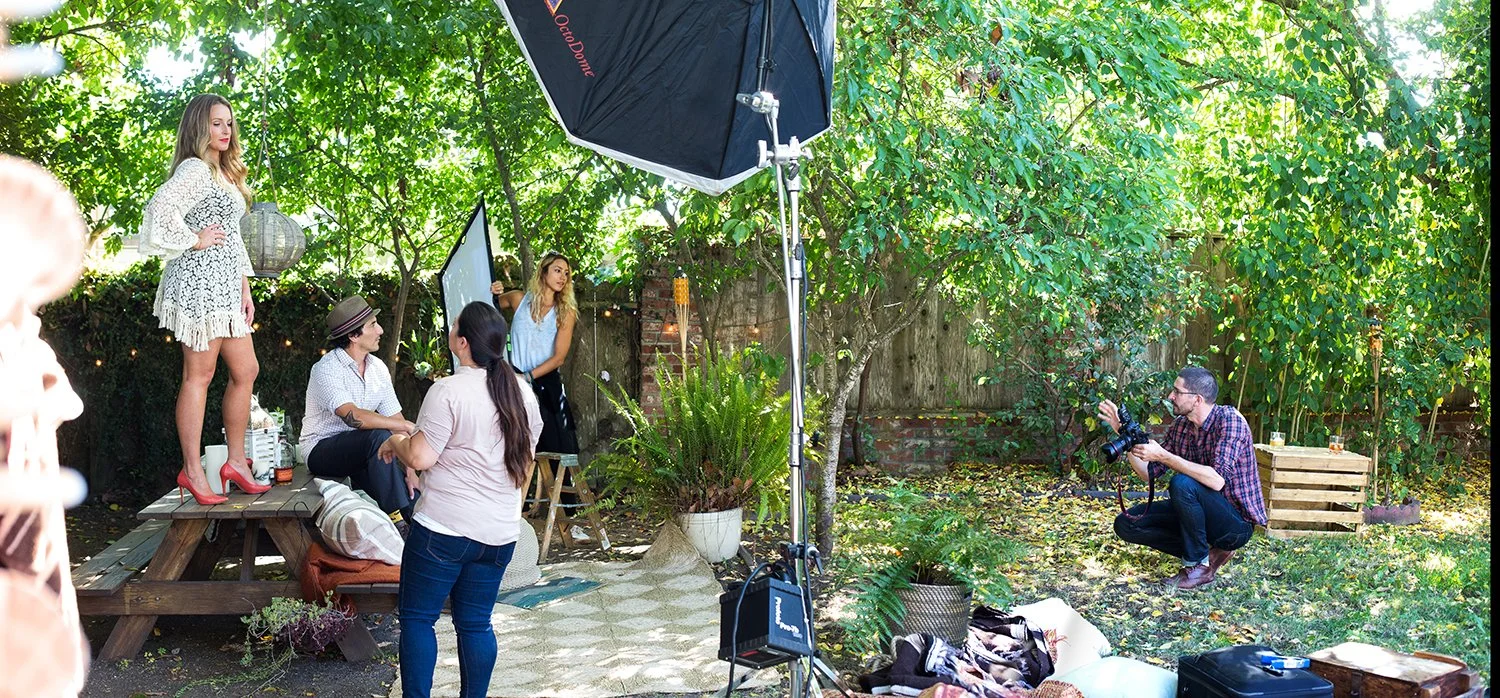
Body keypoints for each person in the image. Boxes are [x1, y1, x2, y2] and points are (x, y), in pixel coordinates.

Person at [380, 301, 542, 698]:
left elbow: (420, 456)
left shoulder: (448, 390)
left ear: (463, 342)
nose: (450, 330)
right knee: (476, 624)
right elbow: (525, 463)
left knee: (418, 619)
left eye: (454, 326)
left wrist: (394, 442)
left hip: (444, 532)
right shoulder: (524, 393)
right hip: (499, 535)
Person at [138, 93, 268, 504]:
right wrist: (193, 240)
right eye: (216, 123)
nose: (225, 130)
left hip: (227, 287)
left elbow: (233, 239)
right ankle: (192, 471)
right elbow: (159, 208)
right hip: (198, 284)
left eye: (229, 123)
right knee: (200, 375)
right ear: (200, 127)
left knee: (246, 370)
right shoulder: (195, 169)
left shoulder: (223, 173)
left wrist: (245, 288)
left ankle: (235, 462)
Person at [1096, 366, 1266, 590]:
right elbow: (1149, 473)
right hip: (1201, 513)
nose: (1170, 396)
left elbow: (1217, 480)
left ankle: (1198, 567)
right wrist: (1126, 437)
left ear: (1197, 399)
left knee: (1183, 483)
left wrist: (1165, 456)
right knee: (1127, 524)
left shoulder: (1230, 421)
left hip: (1235, 524)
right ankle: (1208, 553)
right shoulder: (1181, 427)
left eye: (1177, 392)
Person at [299, 296, 416, 530]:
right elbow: (354, 417)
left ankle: (412, 524)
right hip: (321, 450)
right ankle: (399, 522)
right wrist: (402, 429)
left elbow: (396, 421)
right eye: (373, 325)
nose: (380, 330)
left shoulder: (378, 368)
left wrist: (411, 469)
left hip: (363, 451)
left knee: (415, 494)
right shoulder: (326, 369)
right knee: (379, 437)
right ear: (353, 335)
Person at [490, 251, 580, 455]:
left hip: (546, 383)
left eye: (566, 273)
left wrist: (527, 377)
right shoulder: (517, 299)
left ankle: (562, 487)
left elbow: (559, 357)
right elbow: (486, 306)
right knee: (513, 445)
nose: (562, 277)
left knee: (560, 447)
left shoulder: (565, 311)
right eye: (557, 271)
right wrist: (492, 289)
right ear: (543, 271)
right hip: (515, 381)